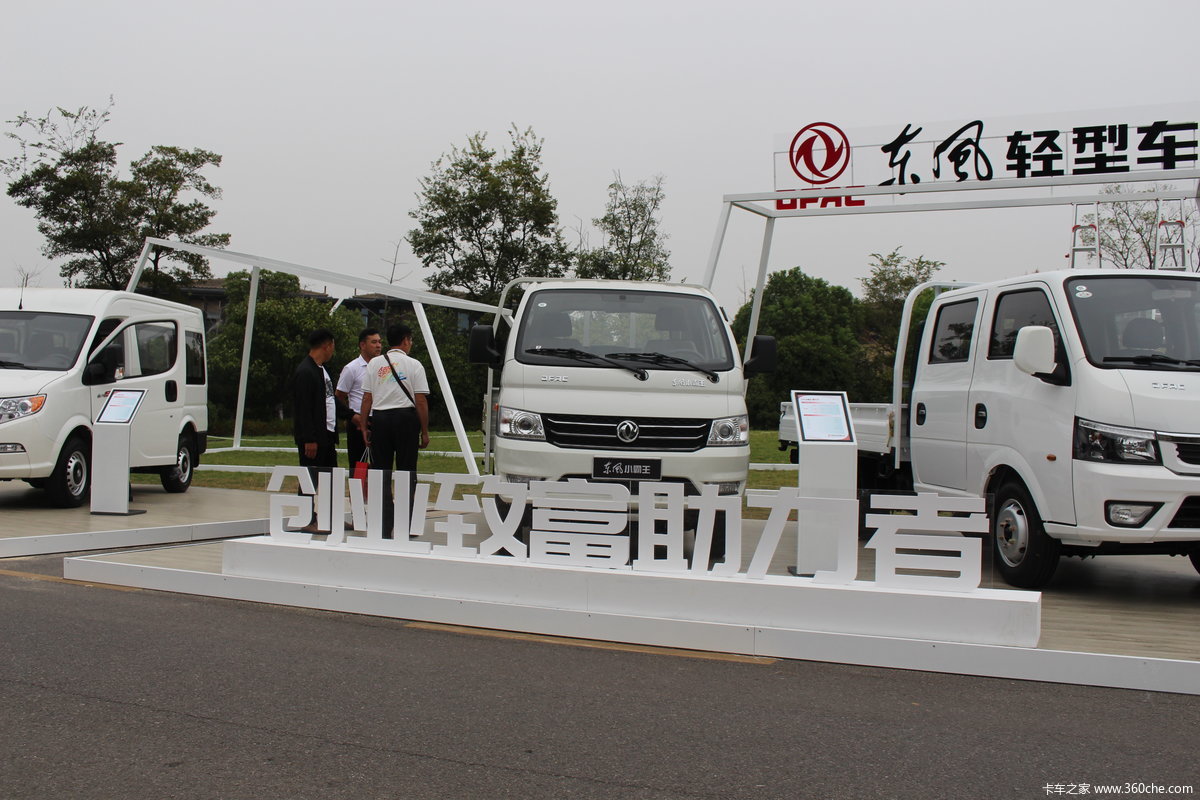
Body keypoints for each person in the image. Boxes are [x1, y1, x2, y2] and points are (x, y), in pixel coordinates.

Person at [360, 323, 430, 537]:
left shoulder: (374, 364)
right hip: (406, 419)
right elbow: (420, 401)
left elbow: (367, 398)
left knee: (381, 473)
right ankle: (405, 525)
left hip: (380, 419)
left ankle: (383, 524)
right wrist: (424, 430)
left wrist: (364, 426)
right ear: (406, 340)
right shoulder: (414, 364)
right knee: (407, 471)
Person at [292, 328, 359, 532]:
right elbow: (303, 409)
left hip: (327, 435)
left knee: (331, 478)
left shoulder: (321, 370)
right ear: (326, 345)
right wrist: (309, 438)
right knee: (310, 479)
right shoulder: (305, 372)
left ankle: (331, 517)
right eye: (333, 346)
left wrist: (351, 416)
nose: (333, 351)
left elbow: (331, 400)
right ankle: (307, 519)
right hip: (313, 437)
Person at [334, 327, 382, 468]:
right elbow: (339, 396)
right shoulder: (351, 368)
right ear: (362, 345)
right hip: (358, 422)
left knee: (380, 464)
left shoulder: (384, 367)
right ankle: (358, 483)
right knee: (358, 464)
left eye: (379, 342)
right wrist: (350, 417)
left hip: (379, 419)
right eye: (374, 342)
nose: (378, 346)